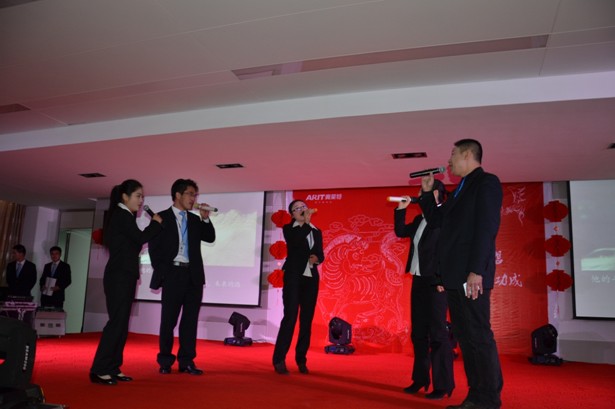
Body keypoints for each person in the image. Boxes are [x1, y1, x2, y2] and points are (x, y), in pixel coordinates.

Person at [419, 139, 503, 409]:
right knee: (466, 338)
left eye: (453, 154)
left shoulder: (486, 183)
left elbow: (486, 229)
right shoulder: (460, 190)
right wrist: (427, 194)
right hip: (455, 278)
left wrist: (476, 270)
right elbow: (437, 221)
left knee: (478, 335)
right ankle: (476, 395)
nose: (449, 161)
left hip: (470, 276)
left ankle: (488, 398)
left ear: (467, 154)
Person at [90, 179, 163, 385]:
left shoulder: (125, 216)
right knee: (116, 323)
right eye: (138, 196)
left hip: (126, 275)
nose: (141, 201)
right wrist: (155, 224)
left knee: (121, 324)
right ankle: (99, 369)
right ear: (125, 196)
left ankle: (113, 367)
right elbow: (140, 239)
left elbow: (133, 244)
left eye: (142, 197)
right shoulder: (121, 215)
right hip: (119, 276)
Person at [394, 179, 455, 400]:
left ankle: (443, 385)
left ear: (437, 194)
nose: (420, 195)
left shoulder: (445, 217)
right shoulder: (420, 219)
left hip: (436, 281)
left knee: (438, 334)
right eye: (420, 191)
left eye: (424, 191)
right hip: (419, 280)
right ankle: (420, 379)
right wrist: (401, 210)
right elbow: (401, 231)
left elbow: (448, 251)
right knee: (418, 333)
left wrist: (442, 278)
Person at [149, 178, 216, 376]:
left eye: (195, 195)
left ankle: (186, 361)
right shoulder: (161, 217)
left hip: (193, 275)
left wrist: (205, 218)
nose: (193, 198)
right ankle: (165, 361)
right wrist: (164, 272)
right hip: (173, 273)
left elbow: (210, 237)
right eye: (190, 194)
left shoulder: (195, 220)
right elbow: (154, 249)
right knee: (168, 321)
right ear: (178, 195)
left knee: (190, 321)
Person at [272, 199, 324, 375]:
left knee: (306, 320)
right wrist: (307, 223)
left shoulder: (316, 231)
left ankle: (301, 359)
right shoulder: (289, 229)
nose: (301, 209)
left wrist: (317, 258)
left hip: (311, 279)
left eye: (303, 206)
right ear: (292, 214)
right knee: (290, 317)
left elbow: (321, 253)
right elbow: (295, 243)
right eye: (297, 208)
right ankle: (279, 359)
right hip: (294, 276)